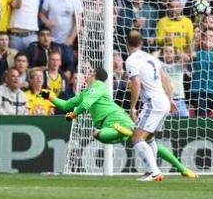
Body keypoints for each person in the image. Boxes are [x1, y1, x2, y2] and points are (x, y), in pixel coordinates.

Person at [45, 65, 195, 179]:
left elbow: (85, 106)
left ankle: (178, 168)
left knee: (99, 135)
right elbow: (65, 105)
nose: (87, 75)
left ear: (96, 76)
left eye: (90, 73)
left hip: (115, 118)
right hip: (111, 123)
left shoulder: (97, 86)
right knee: (145, 142)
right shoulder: (86, 92)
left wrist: (73, 115)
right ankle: (181, 169)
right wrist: (49, 96)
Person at [125, 30, 177, 181]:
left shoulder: (131, 60)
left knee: (136, 138)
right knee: (149, 138)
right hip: (163, 101)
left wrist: (133, 107)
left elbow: (136, 83)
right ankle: (149, 172)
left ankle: (155, 172)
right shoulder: (150, 57)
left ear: (126, 44)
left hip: (153, 103)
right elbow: (166, 78)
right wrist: (170, 99)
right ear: (141, 43)